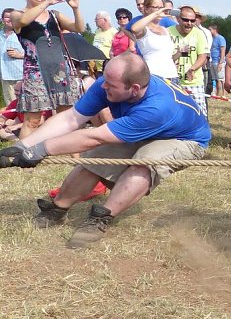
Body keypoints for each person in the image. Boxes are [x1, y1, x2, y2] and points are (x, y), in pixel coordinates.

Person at [0, 53, 210, 247]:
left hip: (185, 139)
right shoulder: (109, 83)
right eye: (105, 81)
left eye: (110, 85)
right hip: (145, 127)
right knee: (95, 159)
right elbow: (72, 118)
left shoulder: (156, 108)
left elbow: (94, 136)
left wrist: (40, 150)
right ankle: (57, 210)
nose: (103, 87)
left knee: (144, 163)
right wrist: (22, 147)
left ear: (134, 88)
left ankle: (101, 218)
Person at [11, 0, 85, 139]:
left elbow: (79, 28)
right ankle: (24, 155)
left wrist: (75, 8)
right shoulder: (16, 14)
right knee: (32, 120)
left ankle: (75, 158)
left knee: (67, 117)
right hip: (35, 74)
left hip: (60, 72)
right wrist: (46, 3)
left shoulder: (55, 15)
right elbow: (23, 21)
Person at [169, 6, 210, 115]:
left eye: (192, 20)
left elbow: (203, 56)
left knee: (199, 113)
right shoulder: (168, 32)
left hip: (193, 81)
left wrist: (192, 69)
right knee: (175, 114)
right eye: (185, 20)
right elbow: (164, 58)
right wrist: (178, 54)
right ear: (178, 19)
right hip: (172, 81)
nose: (189, 23)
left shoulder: (199, 34)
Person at [129, 0, 178, 83]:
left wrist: (180, 53)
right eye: (156, 7)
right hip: (154, 75)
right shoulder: (144, 29)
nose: (160, 10)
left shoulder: (165, 30)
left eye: (161, 7)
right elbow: (134, 29)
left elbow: (168, 56)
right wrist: (155, 14)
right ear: (147, 9)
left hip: (172, 75)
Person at [0, 7, 24, 104]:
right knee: (10, 105)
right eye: (7, 17)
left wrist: (19, 55)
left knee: (23, 105)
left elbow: (34, 53)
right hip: (5, 77)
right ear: (2, 19)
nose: (9, 20)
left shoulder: (23, 34)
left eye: (12, 17)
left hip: (20, 75)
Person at [209, 23, 227, 97]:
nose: (209, 31)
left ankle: (222, 93)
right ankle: (216, 92)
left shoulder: (220, 38)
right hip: (212, 60)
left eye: (210, 30)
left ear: (214, 30)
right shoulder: (212, 39)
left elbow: (223, 50)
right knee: (214, 78)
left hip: (218, 61)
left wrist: (221, 62)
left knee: (220, 78)